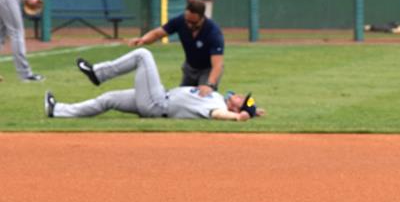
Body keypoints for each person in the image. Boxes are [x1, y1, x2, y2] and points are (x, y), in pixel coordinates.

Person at [44, 47, 261, 121]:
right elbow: (239, 104)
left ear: (235, 107)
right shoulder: (220, 98)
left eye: (241, 100)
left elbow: (218, 115)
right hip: (157, 100)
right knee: (108, 99)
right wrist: (253, 111)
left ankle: (98, 74)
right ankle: (57, 110)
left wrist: (238, 117)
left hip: (157, 104)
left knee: (143, 55)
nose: (239, 95)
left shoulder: (218, 107)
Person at [130, 0, 225, 96]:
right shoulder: (180, 21)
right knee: (181, 97)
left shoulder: (213, 32)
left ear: (202, 18)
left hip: (207, 70)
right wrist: (143, 40)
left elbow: (217, 65)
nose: (189, 25)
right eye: (187, 21)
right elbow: (157, 33)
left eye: (193, 23)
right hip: (190, 68)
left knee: (203, 99)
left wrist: (209, 85)